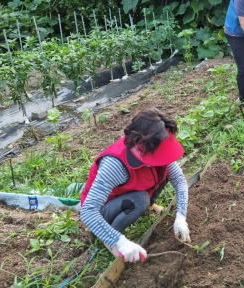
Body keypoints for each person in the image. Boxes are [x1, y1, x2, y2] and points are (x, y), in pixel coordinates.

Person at [80, 108, 190, 263]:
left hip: (130, 193)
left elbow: (179, 179)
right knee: (140, 199)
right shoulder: (115, 164)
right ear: (142, 145)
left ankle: (148, 207)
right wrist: (119, 241)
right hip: (104, 211)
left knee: (162, 175)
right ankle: (110, 237)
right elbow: (88, 212)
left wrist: (181, 217)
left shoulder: (157, 145)